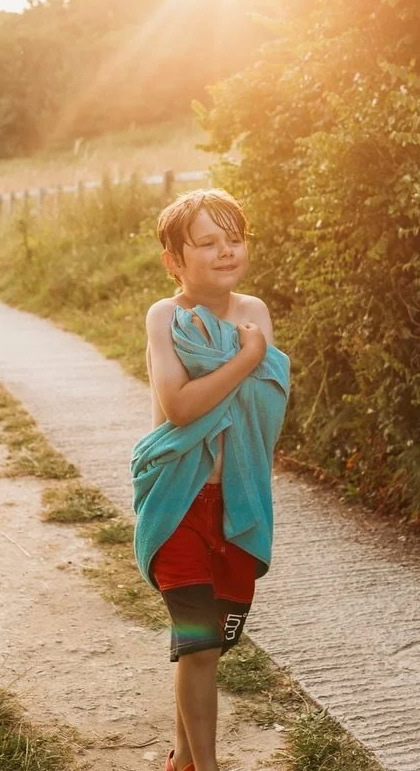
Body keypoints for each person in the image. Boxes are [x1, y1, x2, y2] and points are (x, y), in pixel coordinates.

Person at [131, 188, 291, 771]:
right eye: (207, 242)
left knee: (211, 646)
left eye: (235, 238)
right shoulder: (165, 318)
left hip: (237, 503)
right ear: (174, 259)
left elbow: (263, 410)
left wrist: (243, 360)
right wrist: (246, 360)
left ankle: (183, 762)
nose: (226, 251)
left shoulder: (254, 313)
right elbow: (179, 406)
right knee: (197, 645)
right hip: (178, 503)